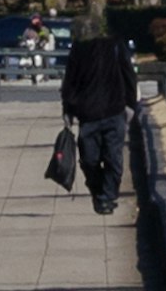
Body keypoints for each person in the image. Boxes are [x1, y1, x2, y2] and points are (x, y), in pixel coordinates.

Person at [60, 15, 139, 217]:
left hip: (114, 111)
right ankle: (99, 192)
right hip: (88, 114)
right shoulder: (78, 50)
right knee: (89, 160)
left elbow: (128, 75)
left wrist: (130, 104)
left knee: (113, 158)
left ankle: (108, 197)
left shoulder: (114, 46)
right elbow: (70, 82)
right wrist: (68, 109)